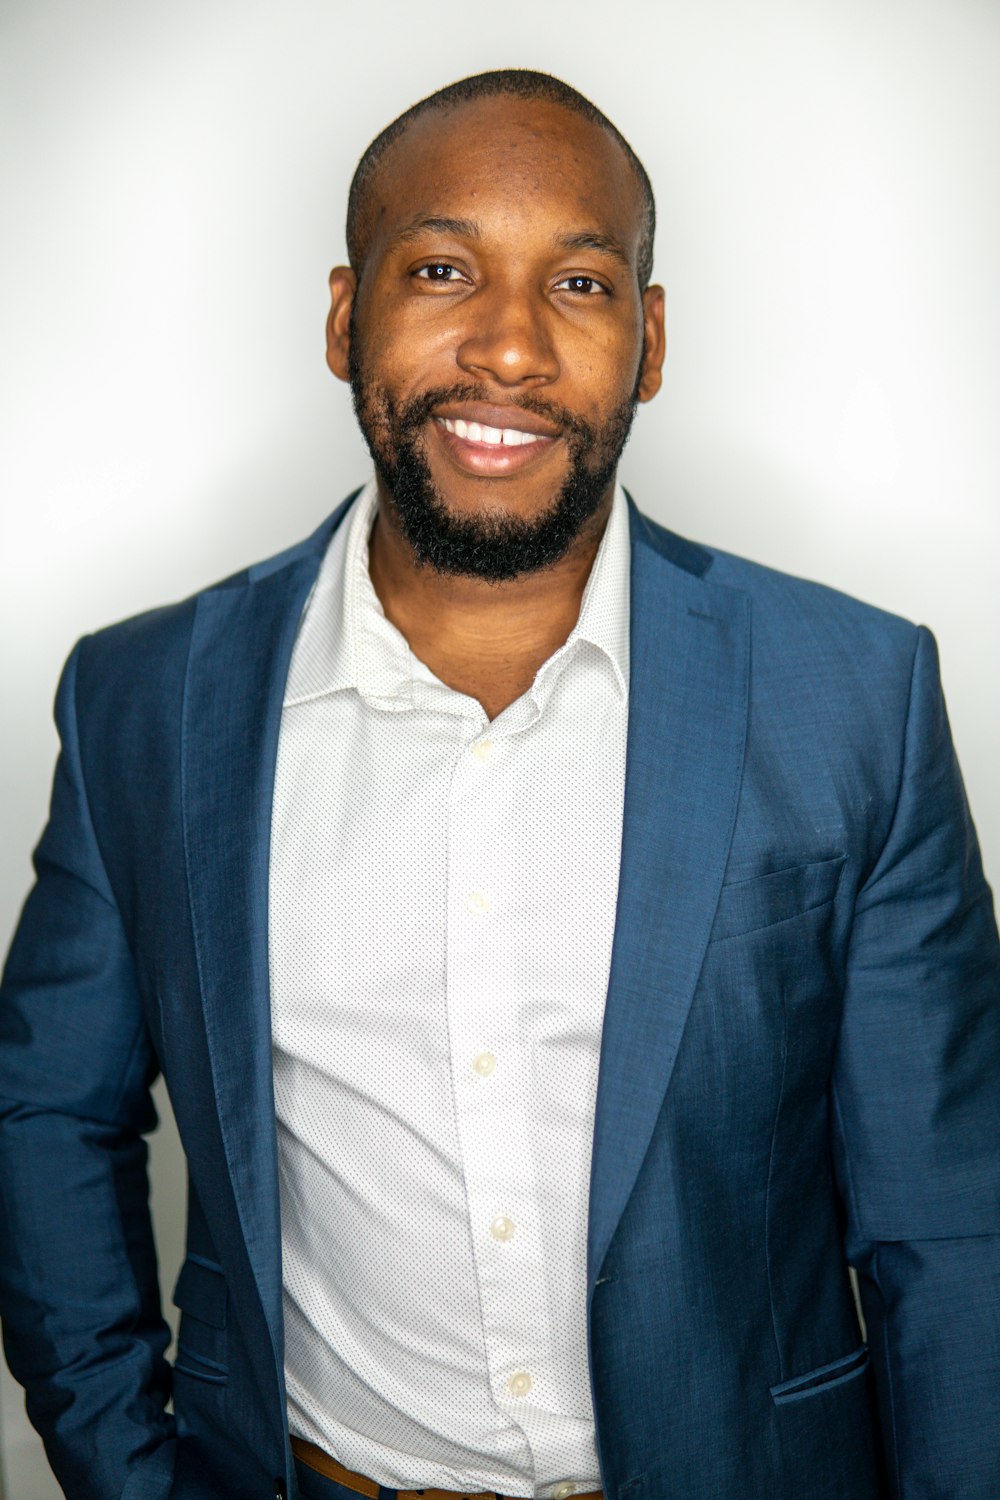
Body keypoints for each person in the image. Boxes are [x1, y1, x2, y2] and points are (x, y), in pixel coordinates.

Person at [0, 66, 997, 1500]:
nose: (511, 347)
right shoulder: (146, 701)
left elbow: (953, 1223)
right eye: (443, 268)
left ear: (649, 342)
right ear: (349, 316)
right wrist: (126, 1472)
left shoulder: (856, 695)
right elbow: (49, 1114)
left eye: (580, 284)